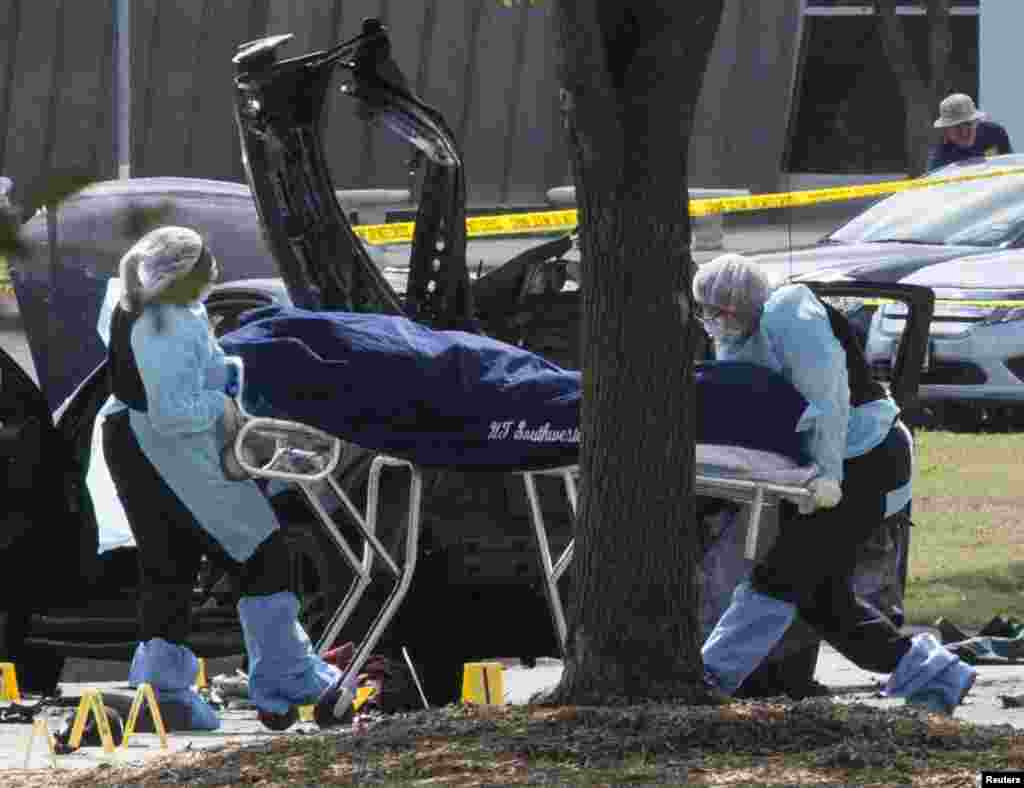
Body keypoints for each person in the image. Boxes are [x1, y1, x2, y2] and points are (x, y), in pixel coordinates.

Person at [694, 253, 976, 715]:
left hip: (865, 459)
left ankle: (711, 677)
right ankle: (938, 673)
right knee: (824, 602)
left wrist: (827, 476)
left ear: (742, 305)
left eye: (719, 311)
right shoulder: (739, 337)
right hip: (823, 468)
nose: (712, 321)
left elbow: (828, 401)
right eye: (705, 311)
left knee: (780, 576)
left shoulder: (790, 313)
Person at [101, 226, 351, 730]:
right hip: (167, 448)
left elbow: (185, 376)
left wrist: (223, 374)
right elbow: (173, 411)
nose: (214, 277)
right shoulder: (163, 322)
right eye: (207, 271)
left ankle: (163, 692)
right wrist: (221, 401)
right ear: (184, 276)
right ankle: (285, 672)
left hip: (139, 443)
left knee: (169, 568)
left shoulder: (153, 309)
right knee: (261, 550)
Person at [928, 93, 1012, 171]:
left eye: (968, 124)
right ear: (946, 131)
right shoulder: (940, 157)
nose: (964, 133)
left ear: (976, 122)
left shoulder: (995, 134)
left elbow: (1011, 167)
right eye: (957, 127)